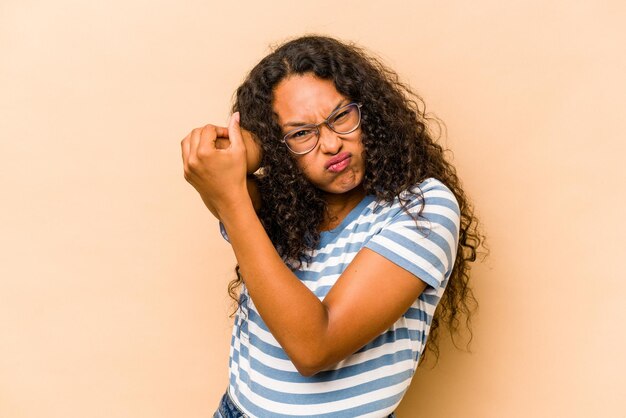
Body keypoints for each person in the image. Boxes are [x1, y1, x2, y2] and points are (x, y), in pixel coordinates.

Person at [181, 35, 484, 418]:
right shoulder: (280, 202)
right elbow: (221, 166)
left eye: (341, 117)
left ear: (370, 112)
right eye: (302, 133)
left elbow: (314, 348)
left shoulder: (422, 207)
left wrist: (232, 198)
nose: (331, 144)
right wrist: (262, 147)